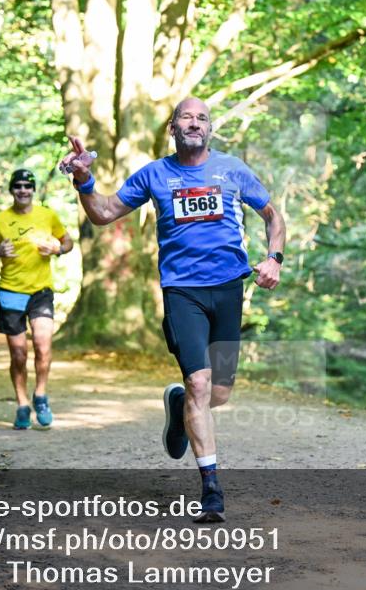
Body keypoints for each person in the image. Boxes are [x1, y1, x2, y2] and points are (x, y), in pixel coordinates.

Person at [59, 97, 285, 523]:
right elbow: (105, 213)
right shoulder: (155, 174)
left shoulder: (232, 169)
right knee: (201, 384)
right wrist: (84, 181)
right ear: (172, 127)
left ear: (210, 129)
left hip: (228, 288)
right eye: (186, 117)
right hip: (183, 292)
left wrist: (275, 258)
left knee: (218, 393)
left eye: (202, 118)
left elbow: (273, 218)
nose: (194, 123)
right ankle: (212, 490)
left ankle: (179, 404)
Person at [0, 168, 73, 430]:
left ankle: (40, 395)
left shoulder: (47, 215)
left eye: (27, 186)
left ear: (33, 189)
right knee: (19, 354)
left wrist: (57, 249)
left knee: (43, 346)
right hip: (11, 292)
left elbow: (68, 242)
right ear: (11, 190)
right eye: (18, 186)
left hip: (41, 292)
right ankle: (21, 404)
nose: (23, 190)